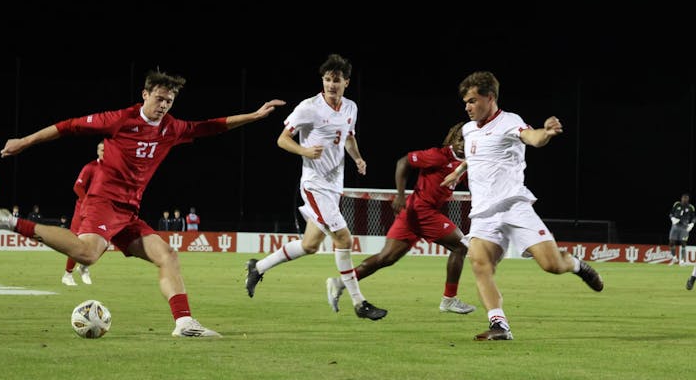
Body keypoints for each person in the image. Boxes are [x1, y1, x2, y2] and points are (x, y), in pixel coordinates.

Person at [0, 69, 285, 338]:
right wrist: (25, 141)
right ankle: (12, 222)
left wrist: (255, 116)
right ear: (145, 95)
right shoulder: (120, 120)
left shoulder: (171, 128)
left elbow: (210, 126)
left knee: (167, 255)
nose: (164, 105)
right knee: (87, 254)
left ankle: (185, 323)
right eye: (159, 98)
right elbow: (68, 126)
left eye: (169, 101)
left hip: (128, 211)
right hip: (103, 201)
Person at [441, 71, 604, 341]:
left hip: (513, 205)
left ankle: (576, 265)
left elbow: (532, 137)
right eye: (465, 102)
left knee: (551, 264)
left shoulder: (509, 121)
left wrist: (547, 134)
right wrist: (458, 172)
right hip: (483, 213)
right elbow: (478, 154)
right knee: (480, 262)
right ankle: (499, 324)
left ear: (489, 97)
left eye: (472, 101)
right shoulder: (469, 130)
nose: (467, 107)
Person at [244, 53, 387, 320]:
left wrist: (358, 158)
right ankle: (359, 303)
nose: (331, 85)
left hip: (334, 186)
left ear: (346, 82)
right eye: (327, 79)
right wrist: (305, 150)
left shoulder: (351, 108)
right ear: (323, 80)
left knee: (310, 245)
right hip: (314, 185)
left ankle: (258, 267)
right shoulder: (308, 107)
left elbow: (348, 137)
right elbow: (282, 140)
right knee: (345, 238)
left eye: (337, 80)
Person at [326, 122, 476, 315]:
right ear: (452, 139)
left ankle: (340, 282)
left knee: (386, 258)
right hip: (422, 211)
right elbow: (403, 162)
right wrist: (399, 195)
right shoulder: (438, 155)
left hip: (412, 213)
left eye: (467, 139)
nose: (462, 143)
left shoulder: (466, 163)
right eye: (459, 139)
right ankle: (449, 300)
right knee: (460, 246)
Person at [62, 140, 104, 286]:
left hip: (102, 211)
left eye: (106, 150)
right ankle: (67, 274)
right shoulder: (90, 167)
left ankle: (84, 267)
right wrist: (87, 201)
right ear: (97, 151)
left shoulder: (114, 169)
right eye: (101, 149)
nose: (103, 152)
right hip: (84, 209)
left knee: (105, 242)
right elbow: (78, 187)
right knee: (77, 242)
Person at [667, 193, 694, 265]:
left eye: (686, 198)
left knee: (683, 243)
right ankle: (674, 258)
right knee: (671, 242)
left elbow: (694, 217)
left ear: (688, 199)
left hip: (684, 227)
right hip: (675, 226)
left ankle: (682, 261)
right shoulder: (677, 204)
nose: (685, 199)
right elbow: (671, 213)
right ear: (681, 198)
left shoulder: (691, 207)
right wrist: (672, 218)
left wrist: (692, 224)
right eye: (684, 198)